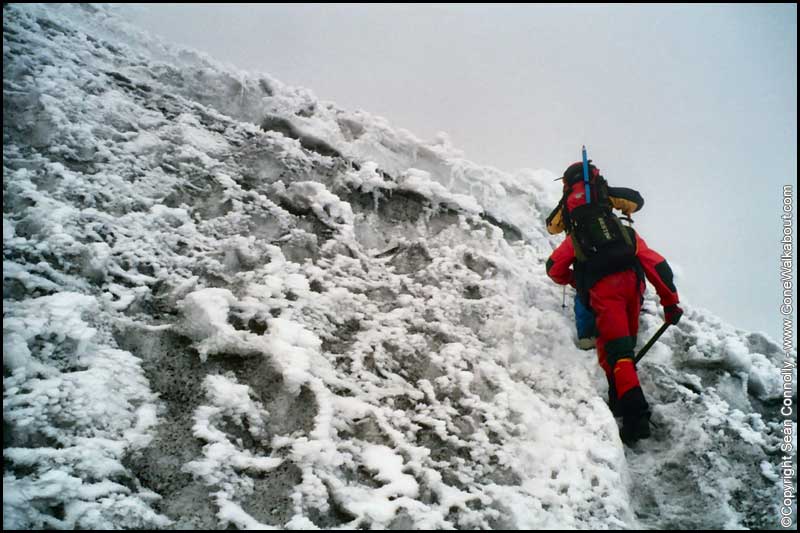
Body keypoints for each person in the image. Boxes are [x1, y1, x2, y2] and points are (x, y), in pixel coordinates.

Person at [545, 160, 683, 444]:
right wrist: (670, 302)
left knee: (617, 353)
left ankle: (635, 417)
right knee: (624, 349)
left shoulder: (577, 237)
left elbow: (553, 268)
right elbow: (656, 264)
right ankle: (620, 396)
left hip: (603, 292)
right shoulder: (625, 232)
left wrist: (575, 281)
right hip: (632, 285)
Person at [546, 169, 645, 351]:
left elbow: (552, 227)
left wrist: (571, 279)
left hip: (585, 250)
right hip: (615, 244)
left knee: (584, 290)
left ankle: (588, 337)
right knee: (629, 282)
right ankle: (626, 340)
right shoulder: (602, 191)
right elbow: (636, 201)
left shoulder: (568, 201)